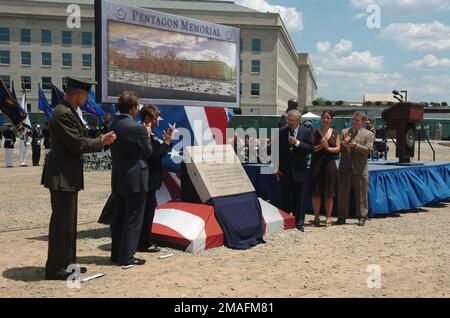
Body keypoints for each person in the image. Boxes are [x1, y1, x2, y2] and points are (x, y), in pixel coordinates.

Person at [41, 77, 116, 280]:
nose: (86, 99)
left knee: (68, 223)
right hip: (61, 176)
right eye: (85, 95)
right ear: (78, 94)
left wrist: (100, 141)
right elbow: (77, 143)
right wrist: (101, 141)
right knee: (61, 224)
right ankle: (56, 268)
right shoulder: (63, 113)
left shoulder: (68, 111)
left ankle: (68, 264)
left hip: (67, 175)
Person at [109, 91, 153, 267]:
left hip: (118, 176)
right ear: (133, 108)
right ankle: (127, 256)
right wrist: (147, 135)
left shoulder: (113, 124)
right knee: (133, 218)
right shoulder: (137, 128)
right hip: (135, 177)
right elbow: (148, 152)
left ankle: (116, 253)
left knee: (119, 216)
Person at [138, 105, 173, 253]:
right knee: (146, 213)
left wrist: (166, 142)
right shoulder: (143, 133)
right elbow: (154, 155)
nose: (158, 122)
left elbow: (157, 151)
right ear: (147, 119)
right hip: (147, 178)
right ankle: (144, 243)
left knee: (148, 212)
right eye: (155, 119)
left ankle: (145, 240)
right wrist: (166, 144)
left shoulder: (150, 134)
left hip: (151, 179)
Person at [275, 110, 314, 232]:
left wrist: (297, 143)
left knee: (299, 198)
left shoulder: (307, 132)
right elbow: (275, 150)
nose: (289, 122)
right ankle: (285, 221)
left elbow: (311, 148)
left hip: (300, 171)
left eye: (292, 120)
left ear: (298, 121)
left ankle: (299, 222)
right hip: (284, 171)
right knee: (284, 198)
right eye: (288, 119)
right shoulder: (281, 131)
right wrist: (275, 168)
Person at [336, 112, 375, 227]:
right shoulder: (344, 132)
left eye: (357, 120)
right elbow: (339, 148)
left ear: (363, 122)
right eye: (353, 120)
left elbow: (368, 150)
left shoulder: (369, 134)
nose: (354, 122)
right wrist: (345, 143)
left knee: (361, 195)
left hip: (359, 169)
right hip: (345, 168)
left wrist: (355, 145)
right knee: (342, 194)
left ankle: (362, 217)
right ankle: (342, 216)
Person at [308, 111, 341, 227]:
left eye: (328, 118)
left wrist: (327, 148)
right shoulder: (314, 132)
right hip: (316, 165)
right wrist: (321, 146)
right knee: (315, 193)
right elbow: (311, 148)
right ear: (321, 119)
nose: (326, 120)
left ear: (331, 119)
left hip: (330, 165)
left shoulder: (336, 133)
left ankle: (328, 217)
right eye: (324, 117)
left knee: (329, 193)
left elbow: (338, 149)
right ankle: (316, 216)